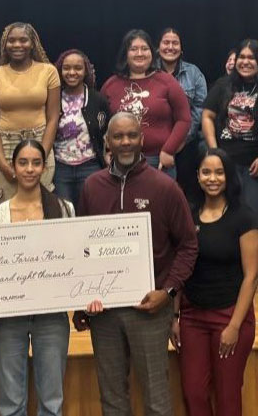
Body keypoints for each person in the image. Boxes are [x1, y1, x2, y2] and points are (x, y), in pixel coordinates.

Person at [75, 111, 198, 416]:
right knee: (112, 398)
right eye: (118, 136)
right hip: (104, 311)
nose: (126, 142)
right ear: (108, 142)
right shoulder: (91, 186)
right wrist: (79, 301)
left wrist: (167, 292)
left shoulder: (165, 188)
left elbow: (188, 245)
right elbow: (81, 247)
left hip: (150, 308)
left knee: (156, 400)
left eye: (132, 135)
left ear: (142, 140)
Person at [0, 139, 75, 416]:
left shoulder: (64, 210)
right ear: (13, 167)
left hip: (52, 316)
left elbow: (75, 262)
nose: (29, 169)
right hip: (9, 318)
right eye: (23, 163)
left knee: (52, 402)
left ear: (45, 167)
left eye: (36, 163)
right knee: (11, 404)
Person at [171, 148, 258, 416]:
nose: (213, 178)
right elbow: (180, 268)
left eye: (219, 172)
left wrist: (234, 326)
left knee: (227, 396)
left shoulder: (243, 216)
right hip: (192, 317)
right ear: (197, 176)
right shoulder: (187, 214)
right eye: (206, 172)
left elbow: (252, 276)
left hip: (230, 316)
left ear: (229, 176)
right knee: (193, 393)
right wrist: (174, 315)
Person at [201, 39, 258, 256]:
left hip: (255, 166)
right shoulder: (223, 85)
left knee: (253, 217)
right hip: (226, 163)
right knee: (225, 213)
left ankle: (257, 267)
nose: (246, 62)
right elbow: (208, 116)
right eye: (242, 57)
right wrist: (214, 151)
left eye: (251, 58)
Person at [0, 22, 61, 204]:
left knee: (39, 206)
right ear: (5, 44)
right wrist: (2, 163)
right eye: (11, 41)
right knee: (7, 210)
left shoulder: (48, 71)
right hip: (5, 147)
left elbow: (53, 118)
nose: (17, 45)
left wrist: (41, 155)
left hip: (40, 142)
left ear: (32, 43)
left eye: (23, 40)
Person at [101, 29, 190, 179]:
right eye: (134, 49)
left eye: (144, 49)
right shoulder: (111, 84)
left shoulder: (167, 81)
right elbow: (101, 123)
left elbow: (184, 119)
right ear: (125, 54)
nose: (140, 54)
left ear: (152, 52)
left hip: (158, 161)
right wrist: (107, 148)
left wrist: (169, 150)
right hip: (122, 160)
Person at [155, 28, 208, 206]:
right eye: (166, 42)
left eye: (175, 43)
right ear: (158, 47)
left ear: (181, 48)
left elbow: (200, 107)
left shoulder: (194, 73)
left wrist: (182, 138)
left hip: (186, 144)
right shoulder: (148, 71)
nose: (170, 47)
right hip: (154, 144)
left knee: (186, 194)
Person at [52, 49, 109, 206]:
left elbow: (107, 132)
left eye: (78, 68)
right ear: (60, 70)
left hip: (90, 166)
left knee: (91, 211)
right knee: (64, 215)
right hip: (60, 168)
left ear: (86, 71)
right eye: (67, 68)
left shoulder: (98, 100)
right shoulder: (52, 98)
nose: (72, 72)